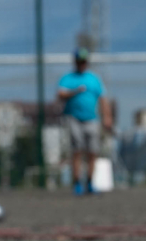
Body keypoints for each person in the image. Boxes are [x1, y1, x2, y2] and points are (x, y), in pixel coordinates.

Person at [57, 47, 112, 195]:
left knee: (93, 151)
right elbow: (60, 94)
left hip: (92, 119)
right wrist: (75, 91)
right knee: (77, 150)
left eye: (84, 61)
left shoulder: (94, 79)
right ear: (75, 62)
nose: (82, 64)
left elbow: (103, 99)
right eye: (79, 61)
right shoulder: (68, 78)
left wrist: (107, 117)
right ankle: (77, 183)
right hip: (73, 117)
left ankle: (89, 182)